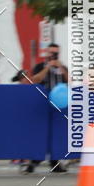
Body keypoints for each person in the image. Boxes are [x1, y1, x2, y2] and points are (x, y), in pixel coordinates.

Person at [27, 42, 69, 173]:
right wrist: (48, 67)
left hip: (59, 104)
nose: (53, 55)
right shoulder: (40, 66)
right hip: (42, 103)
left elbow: (71, 81)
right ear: (47, 53)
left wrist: (60, 67)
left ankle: (55, 161)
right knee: (40, 132)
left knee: (56, 133)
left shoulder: (63, 67)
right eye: (51, 53)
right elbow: (35, 80)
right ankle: (34, 160)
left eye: (56, 53)